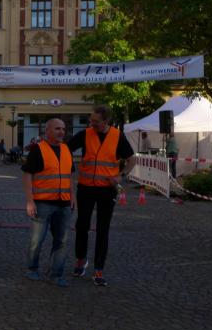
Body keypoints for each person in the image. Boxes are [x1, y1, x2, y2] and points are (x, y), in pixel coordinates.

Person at [67, 105, 136, 286]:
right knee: (82, 225)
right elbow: (66, 149)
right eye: (91, 120)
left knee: (103, 229)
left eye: (96, 121)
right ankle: (80, 259)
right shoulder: (85, 134)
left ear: (106, 121)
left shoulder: (117, 136)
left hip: (107, 189)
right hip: (85, 187)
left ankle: (99, 269)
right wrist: (68, 167)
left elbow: (132, 159)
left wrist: (120, 176)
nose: (92, 123)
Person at [22, 119, 75, 286]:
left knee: (62, 241)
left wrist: (73, 197)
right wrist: (30, 201)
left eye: (63, 129)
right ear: (48, 131)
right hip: (43, 203)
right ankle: (32, 269)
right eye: (57, 128)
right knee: (37, 240)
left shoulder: (66, 149)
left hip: (64, 203)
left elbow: (69, 176)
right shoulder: (38, 149)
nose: (61, 132)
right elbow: (27, 175)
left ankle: (56, 275)